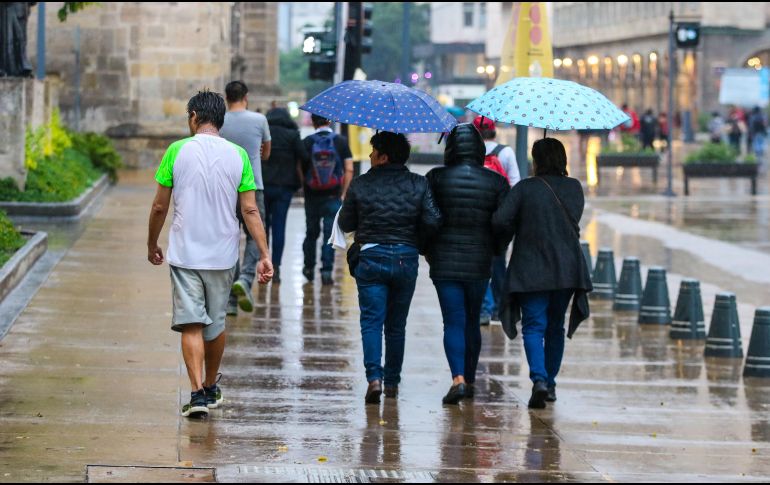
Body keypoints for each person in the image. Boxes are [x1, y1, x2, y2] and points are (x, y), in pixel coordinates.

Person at [147, 90, 273, 418]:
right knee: (215, 325)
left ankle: (196, 394)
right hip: (223, 254)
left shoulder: (176, 151)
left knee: (190, 322)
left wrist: (152, 243)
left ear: (193, 117)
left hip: (186, 253)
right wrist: (264, 253)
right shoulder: (238, 156)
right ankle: (210, 385)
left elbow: (160, 205)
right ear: (220, 120)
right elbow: (250, 210)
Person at [338, 132, 441, 404]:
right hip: (406, 259)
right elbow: (433, 220)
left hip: (371, 258)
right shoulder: (419, 184)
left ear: (383, 156)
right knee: (396, 326)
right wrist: (416, 242)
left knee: (371, 322)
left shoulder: (361, 184)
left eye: (373, 151)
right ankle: (393, 382)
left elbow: (346, 222)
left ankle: (374, 378)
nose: (370, 155)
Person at [492, 138, 592, 410]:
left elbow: (501, 220)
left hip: (531, 267)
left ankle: (538, 380)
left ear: (536, 161)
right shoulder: (574, 188)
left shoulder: (526, 188)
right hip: (566, 268)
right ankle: (550, 383)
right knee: (555, 326)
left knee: (534, 325)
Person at [425, 123, 510, 405]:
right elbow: (503, 224)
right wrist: (496, 250)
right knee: (473, 320)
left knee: (453, 320)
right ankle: (471, 380)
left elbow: (426, 219)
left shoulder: (435, 178)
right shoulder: (496, 182)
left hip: (445, 262)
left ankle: (458, 379)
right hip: (479, 262)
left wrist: (427, 250)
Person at [220, 81, 272, 315]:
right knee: (255, 234)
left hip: (225, 187)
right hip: (254, 186)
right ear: (246, 97)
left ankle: (231, 300)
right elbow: (267, 152)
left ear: (226, 97)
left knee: (230, 238)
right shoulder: (259, 120)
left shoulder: (220, 120)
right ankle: (246, 277)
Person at [473, 116, 521, 326]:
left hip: (476, 217)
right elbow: (515, 185)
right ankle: (499, 308)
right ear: (494, 132)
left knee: (480, 264)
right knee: (499, 262)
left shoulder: (472, 153)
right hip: (501, 219)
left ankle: (484, 308)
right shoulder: (506, 152)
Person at [301, 114, 354, 285]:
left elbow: (300, 168)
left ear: (313, 122)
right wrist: (343, 192)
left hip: (312, 197)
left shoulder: (307, 142)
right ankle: (326, 271)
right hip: (333, 196)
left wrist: (305, 187)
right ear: (329, 121)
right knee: (328, 236)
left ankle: (309, 268)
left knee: (311, 233)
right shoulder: (340, 141)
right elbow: (349, 169)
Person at [263, 107, 308, 283]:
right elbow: (304, 156)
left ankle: (263, 261)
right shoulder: (292, 135)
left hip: (264, 185)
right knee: (279, 226)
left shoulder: (266, 132)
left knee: (263, 227)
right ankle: (276, 267)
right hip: (285, 187)